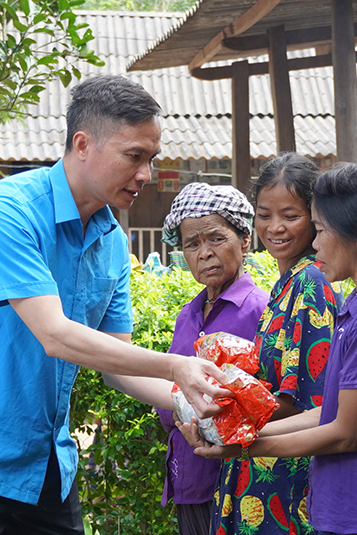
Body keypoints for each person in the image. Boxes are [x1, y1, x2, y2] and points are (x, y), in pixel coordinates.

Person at [0, 75, 228, 535]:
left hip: (46, 463)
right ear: (83, 144)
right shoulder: (7, 211)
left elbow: (118, 365)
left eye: (151, 159)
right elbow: (55, 335)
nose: (146, 174)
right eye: (134, 156)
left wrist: (195, 408)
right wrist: (179, 367)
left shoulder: (114, 243)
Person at [189, 163, 357, 535]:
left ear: (355, 233)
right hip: (343, 508)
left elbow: (344, 431)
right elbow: (329, 413)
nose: (315, 243)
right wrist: (241, 439)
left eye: (323, 230)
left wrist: (246, 447)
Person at [206, 153, 341, 535]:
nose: (275, 227)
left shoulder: (311, 282)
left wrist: (222, 422)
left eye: (290, 215)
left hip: (283, 485)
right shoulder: (286, 285)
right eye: (264, 214)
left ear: (315, 219)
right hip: (258, 472)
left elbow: (312, 404)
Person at [152, 182, 270, 535]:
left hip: (239, 481)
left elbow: (268, 396)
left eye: (216, 239)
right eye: (192, 244)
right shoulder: (187, 315)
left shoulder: (260, 310)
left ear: (244, 239)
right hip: (190, 478)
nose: (204, 253)